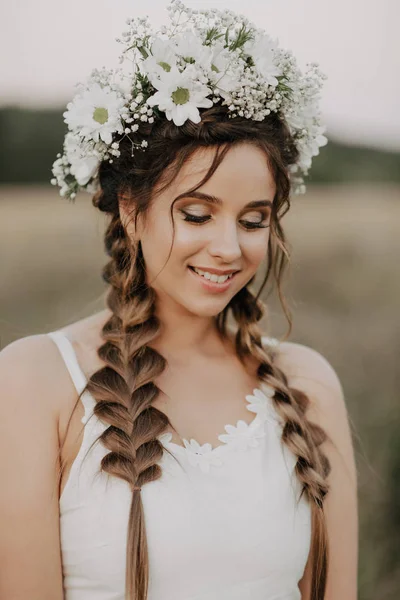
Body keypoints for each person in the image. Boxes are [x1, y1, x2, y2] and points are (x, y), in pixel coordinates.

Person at [0, 1, 358, 599]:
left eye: (253, 220)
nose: (228, 247)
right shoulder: (35, 383)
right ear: (131, 210)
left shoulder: (309, 385)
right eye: (196, 213)